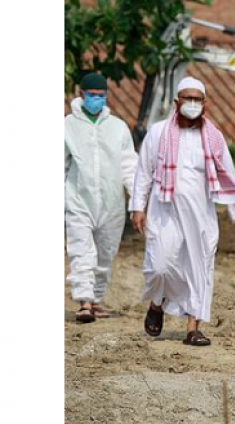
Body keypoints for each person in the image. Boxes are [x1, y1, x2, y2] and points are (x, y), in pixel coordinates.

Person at [130, 77, 235, 347]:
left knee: (200, 268)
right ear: (177, 102)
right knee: (160, 266)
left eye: (198, 99)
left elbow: (228, 174)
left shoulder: (214, 138)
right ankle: (158, 303)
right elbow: (144, 172)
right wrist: (138, 206)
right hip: (164, 212)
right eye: (187, 98)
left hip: (201, 215)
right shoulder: (159, 133)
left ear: (205, 103)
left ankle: (193, 327)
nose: (192, 104)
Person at [65, 73, 138, 323]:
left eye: (100, 95)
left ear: (105, 96)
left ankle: (95, 300)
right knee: (81, 251)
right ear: (81, 94)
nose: (95, 99)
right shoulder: (67, 126)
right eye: (91, 95)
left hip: (112, 203)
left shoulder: (117, 127)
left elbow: (129, 164)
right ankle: (84, 302)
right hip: (78, 200)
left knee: (106, 253)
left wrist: (136, 198)